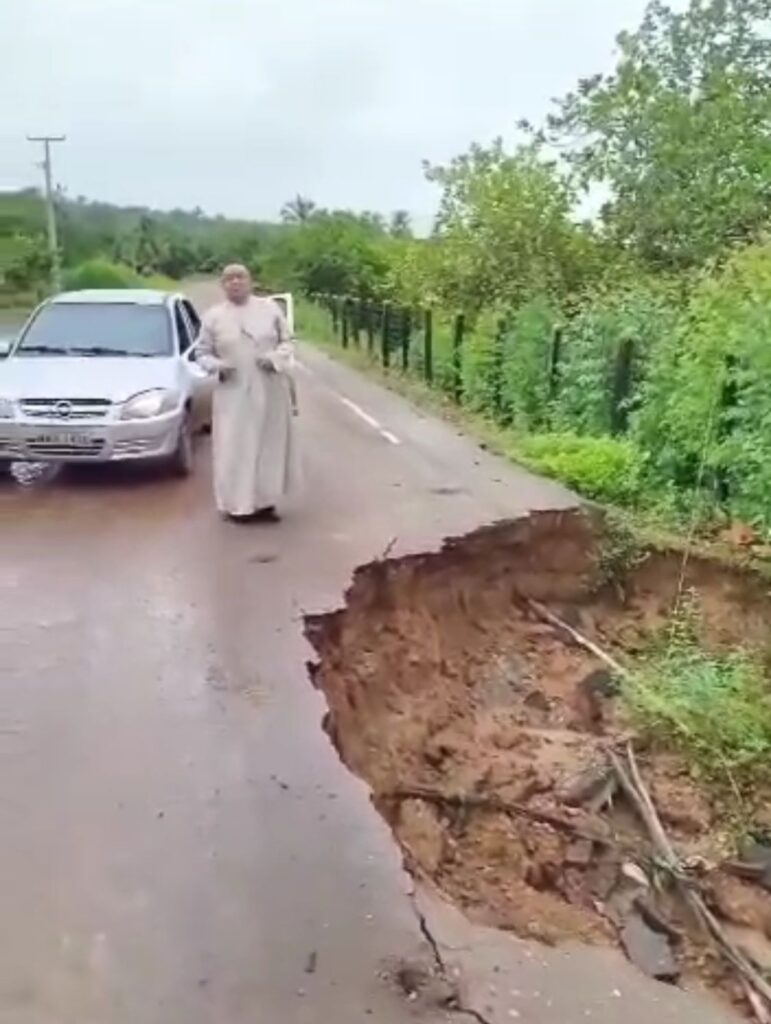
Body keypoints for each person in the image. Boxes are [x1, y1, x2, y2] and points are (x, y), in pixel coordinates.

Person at [196, 265, 300, 520]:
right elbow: (201, 353)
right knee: (233, 447)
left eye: (240, 277)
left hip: (269, 388)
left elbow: (288, 341)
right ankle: (237, 506)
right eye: (229, 278)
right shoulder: (214, 317)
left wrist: (275, 357)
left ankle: (265, 503)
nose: (235, 282)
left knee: (268, 445)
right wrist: (218, 366)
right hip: (233, 393)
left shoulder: (269, 309)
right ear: (223, 285)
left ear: (250, 281)